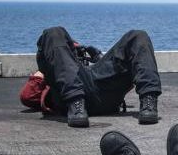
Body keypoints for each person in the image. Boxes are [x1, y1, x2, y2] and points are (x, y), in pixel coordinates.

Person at [19, 26, 160, 127]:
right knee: (54, 32)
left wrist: (99, 59)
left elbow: (116, 70)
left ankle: (149, 101)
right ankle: (76, 104)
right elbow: (27, 97)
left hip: (102, 88)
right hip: (70, 94)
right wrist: (42, 73)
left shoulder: (90, 66)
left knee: (138, 36)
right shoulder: (56, 67)